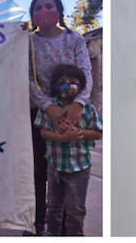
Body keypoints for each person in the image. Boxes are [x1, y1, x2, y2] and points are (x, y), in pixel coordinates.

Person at [27, 0, 92, 237]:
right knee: (37, 173)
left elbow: (86, 71)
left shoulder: (74, 39)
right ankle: (35, 225)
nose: (44, 9)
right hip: (40, 114)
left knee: (66, 173)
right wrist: (48, 107)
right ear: (33, 14)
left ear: (59, 11)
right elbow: (26, 79)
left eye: (49, 5)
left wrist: (78, 105)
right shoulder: (28, 42)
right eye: (39, 6)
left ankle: (64, 227)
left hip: (71, 112)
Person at [34, 64, 102, 236]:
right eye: (62, 81)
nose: (68, 85)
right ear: (54, 85)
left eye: (73, 81)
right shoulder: (50, 109)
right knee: (53, 206)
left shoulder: (88, 109)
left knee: (75, 209)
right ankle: (52, 234)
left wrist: (80, 133)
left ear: (81, 85)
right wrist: (63, 138)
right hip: (55, 166)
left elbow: (98, 132)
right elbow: (43, 132)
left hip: (79, 168)